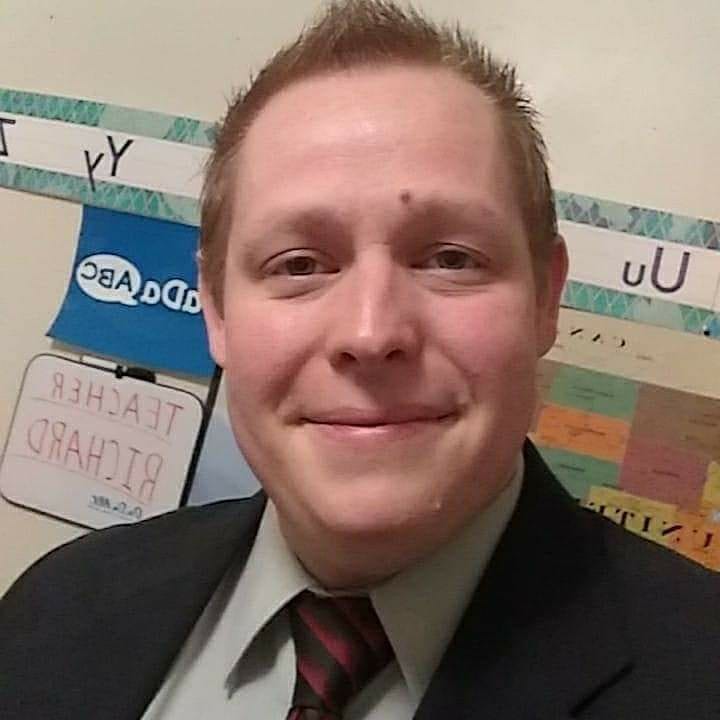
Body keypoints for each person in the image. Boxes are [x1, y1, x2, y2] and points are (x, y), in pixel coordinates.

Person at [1, 1, 718, 718]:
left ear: (545, 300)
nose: (371, 333)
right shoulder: (56, 609)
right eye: (299, 264)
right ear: (216, 311)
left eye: (450, 259)